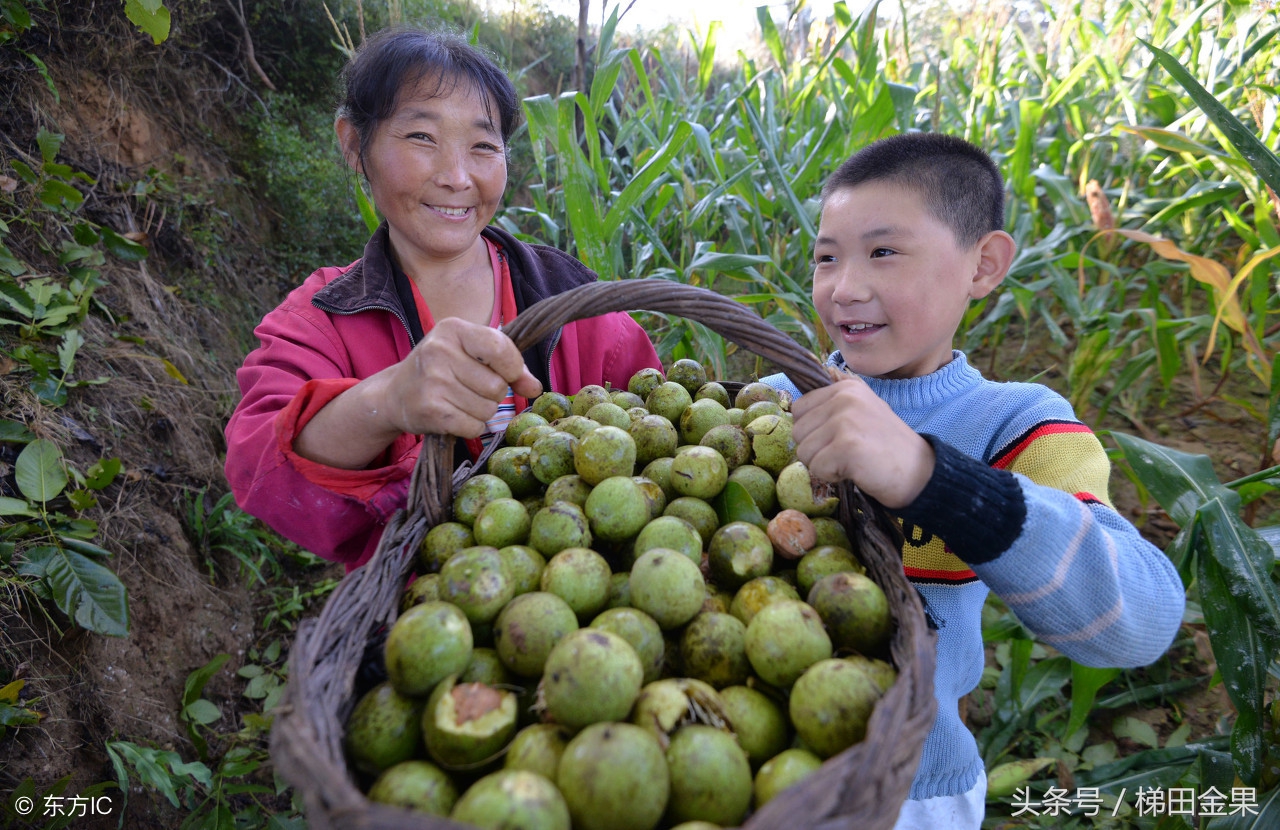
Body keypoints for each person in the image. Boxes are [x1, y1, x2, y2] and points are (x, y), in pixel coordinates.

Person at [760, 133, 1185, 829]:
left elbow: (1141, 623)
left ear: (983, 264)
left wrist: (933, 478)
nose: (844, 287)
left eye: (884, 252)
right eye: (826, 257)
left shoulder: (1015, 423)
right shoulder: (774, 404)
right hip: (765, 787)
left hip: (920, 794)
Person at [224, 28, 661, 571]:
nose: (457, 178)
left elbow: (657, 432)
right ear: (354, 145)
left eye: (483, 146)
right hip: (423, 617)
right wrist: (387, 400)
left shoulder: (574, 301)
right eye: (421, 138)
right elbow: (261, 467)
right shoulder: (323, 318)